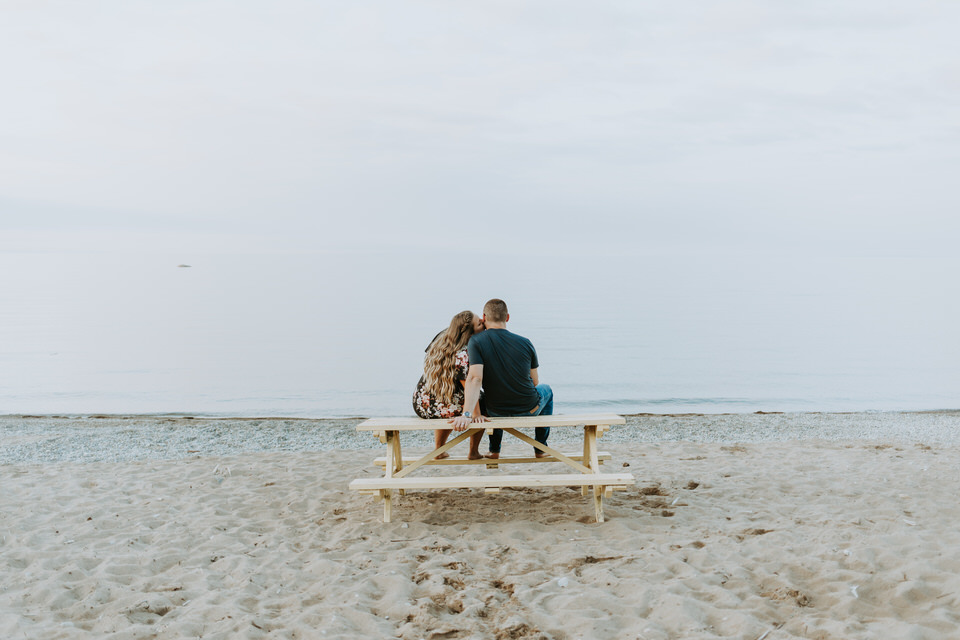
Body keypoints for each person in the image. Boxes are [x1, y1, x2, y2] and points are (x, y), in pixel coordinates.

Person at [449, 299, 553, 459]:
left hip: (495, 411)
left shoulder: (476, 341)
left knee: (492, 394)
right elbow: (535, 382)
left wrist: (467, 413)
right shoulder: (526, 343)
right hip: (529, 409)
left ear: (484, 317)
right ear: (508, 317)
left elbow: (475, 378)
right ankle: (541, 448)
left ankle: (494, 450)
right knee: (546, 390)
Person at [412, 310, 487, 458]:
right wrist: (476, 414)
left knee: (447, 398)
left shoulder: (441, 338)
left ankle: (438, 450)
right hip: (442, 404)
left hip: (421, 402)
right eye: (479, 323)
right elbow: (470, 386)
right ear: (468, 332)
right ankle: (473, 452)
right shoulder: (464, 353)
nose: (483, 323)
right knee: (483, 402)